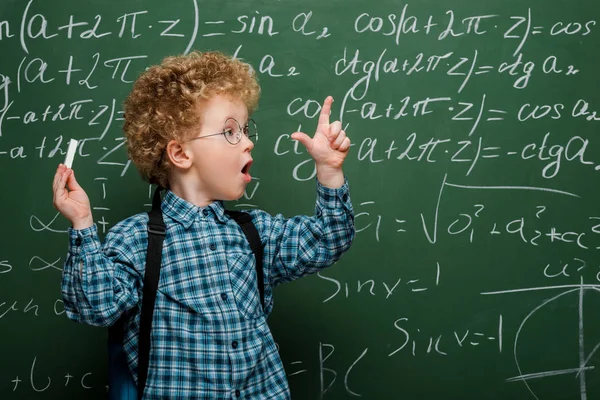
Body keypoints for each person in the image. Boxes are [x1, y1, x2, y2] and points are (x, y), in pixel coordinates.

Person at [52, 50, 355, 399]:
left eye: (244, 129)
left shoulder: (255, 233)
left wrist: (330, 171)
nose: (248, 140)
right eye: (230, 132)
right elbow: (96, 306)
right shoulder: (136, 241)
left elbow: (328, 239)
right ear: (181, 154)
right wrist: (83, 224)